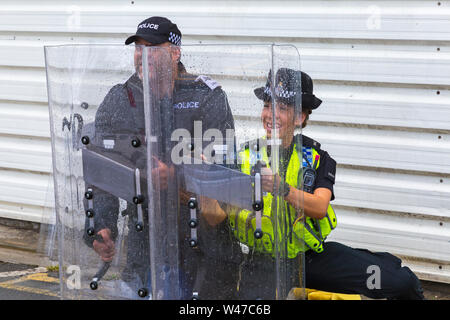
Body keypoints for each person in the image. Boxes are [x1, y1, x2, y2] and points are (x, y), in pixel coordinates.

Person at [201, 68, 425, 300]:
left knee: (399, 282)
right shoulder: (243, 157)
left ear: (300, 117)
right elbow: (213, 217)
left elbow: (319, 208)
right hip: (262, 264)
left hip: (308, 260)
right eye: (268, 105)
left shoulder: (316, 158)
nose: (271, 114)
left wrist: (282, 189)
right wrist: (204, 181)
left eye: (283, 108)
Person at [81, 16, 235, 299]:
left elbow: (222, 168)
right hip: (145, 238)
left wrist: (175, 177)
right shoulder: (120, 98)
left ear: (175, 53)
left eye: (152, 47)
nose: (143, 55)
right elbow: (101, 172)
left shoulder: (205, 95)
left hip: (198, 238)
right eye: (138, 48)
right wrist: (102, 225)